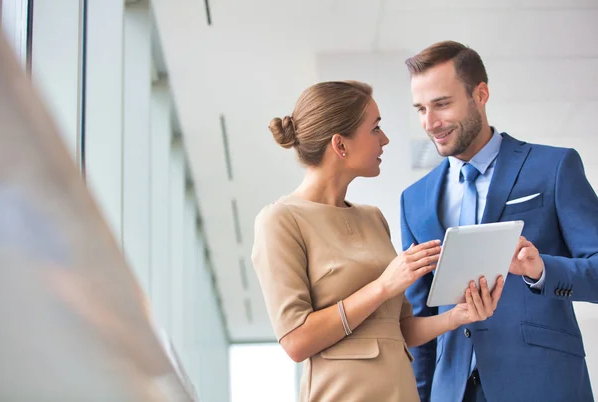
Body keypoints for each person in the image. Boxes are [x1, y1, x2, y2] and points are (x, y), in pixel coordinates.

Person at [251, 80, 504, 402]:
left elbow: (400, 329)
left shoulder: (372, 217)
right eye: (375, 129)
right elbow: (296, 341)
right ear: (340, 145)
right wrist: (384, 285)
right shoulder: (280, 220)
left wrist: (458, 315)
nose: (384, 139)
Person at [401, 40, 598, 402]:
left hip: (543, 384)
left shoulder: (553, 168)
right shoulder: (414, 200)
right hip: (453, 392)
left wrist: (541, 270)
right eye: (420, 109)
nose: (430, 123)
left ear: (480, 94)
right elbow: (420, 316)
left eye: (442, 104)